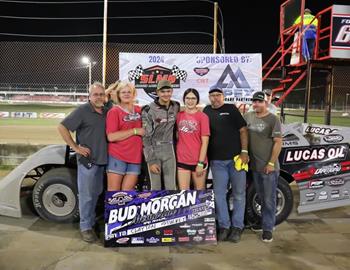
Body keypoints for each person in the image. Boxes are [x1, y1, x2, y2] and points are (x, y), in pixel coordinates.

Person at [57, 82, 107, 243]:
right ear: (89, 96)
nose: (99, 97)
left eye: (101, 94)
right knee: (86, 196)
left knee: (96, 193)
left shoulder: (107, 110)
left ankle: (91, 222)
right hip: (88, 161)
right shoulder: (83, 110)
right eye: (95, 94)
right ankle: (85, 227)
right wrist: (75, 147)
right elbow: (62, 127)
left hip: (102, 161)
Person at [203, 85, 249, 243]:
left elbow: (243, 130)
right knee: (220, 194)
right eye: (212, 95)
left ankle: (237, 227)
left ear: (223, 96)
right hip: (217, 161)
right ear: (209, 98)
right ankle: (224, 226)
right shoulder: (206, 111)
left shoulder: (231, 109)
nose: (215, 98)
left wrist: (244, 152)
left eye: (218, 95)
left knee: (239, 194)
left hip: (236, 160)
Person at [244, 91, 282, 243]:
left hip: (268, 168)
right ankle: (263, 223)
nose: (256, 104)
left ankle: (268, 229)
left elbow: (278, 142)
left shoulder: (273, 119)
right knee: (260, 197)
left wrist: (271, 163)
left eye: (259, 101)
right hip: (254, 167)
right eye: (254, 101)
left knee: (269, 199)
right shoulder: (248, 116)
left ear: (265, 103)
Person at [106, 82, 145, 191]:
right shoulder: (114, 111)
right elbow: (111, 137)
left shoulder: (139, 110)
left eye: (129, 92)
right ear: (118, 94)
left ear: (134, 94)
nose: (126, 94)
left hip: (135, 157)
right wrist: (135, 131)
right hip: (118, 156)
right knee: (114, 194)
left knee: (127, 195)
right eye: (123, 92)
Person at [142, 79, 180, 190]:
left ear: (172, 91)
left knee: (171, 187)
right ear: (157, 92)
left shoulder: (175, 106)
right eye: (163, 92)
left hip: (169, 149)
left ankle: (172, 208)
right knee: (155, 188)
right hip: (154, 150)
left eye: (168, 91)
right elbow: (145, 137)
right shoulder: (148, 109)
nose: (166, 94)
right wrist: (151, 160)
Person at [176, 88, 210, 190]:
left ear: (197, 100)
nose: (190, 101)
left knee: (200, 193)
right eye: (187, 98)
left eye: (193, 98)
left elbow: (205, 142)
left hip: (198, 161)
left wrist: (200, 163)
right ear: (184, 100)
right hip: (182, 160)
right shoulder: (178, 116)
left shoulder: (203, 117)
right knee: (184, 195)